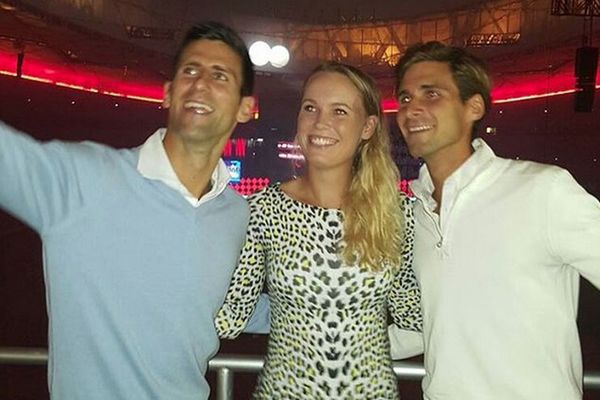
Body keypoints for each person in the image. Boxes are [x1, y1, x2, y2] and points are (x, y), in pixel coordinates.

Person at [0, 21, 268, 400]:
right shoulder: (85, 179)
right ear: (169, 93)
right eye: (190, 71)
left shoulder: (235, 212)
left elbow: (217, 300)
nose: (200, 83)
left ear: (246, 108)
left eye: (219, 75)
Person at [388, 41, 600, 399]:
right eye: (405, 98)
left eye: (431, 94)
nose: (411, 109)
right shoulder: (417, 214)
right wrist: (328, 348)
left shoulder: (541, 190)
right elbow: (431, 324)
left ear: (474, 107)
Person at [215, 61, 422, 399]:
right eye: (310, 108)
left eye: (339, 111)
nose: (320, 122)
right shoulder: (262, 210)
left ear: (368, 127)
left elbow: (414, 316)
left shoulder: (396, 213)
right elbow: (230, 316)